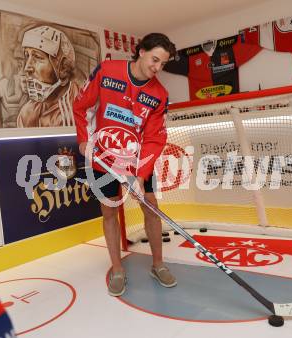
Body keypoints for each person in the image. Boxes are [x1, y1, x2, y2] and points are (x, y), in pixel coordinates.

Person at [73, 33, 177, 297]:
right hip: (103, 158)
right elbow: (81, 106)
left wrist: (140, 175)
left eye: (162, 64)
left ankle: (158, 264)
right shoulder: (107, 71)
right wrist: (84, 140)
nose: (157, 67)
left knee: (151, 207)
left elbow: (155, 138)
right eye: (155, 59)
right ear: (141, 51)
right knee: (109, 213)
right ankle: (117, 268)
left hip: (136, 159)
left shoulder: (159, 94)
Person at [17, 25, 79, 127]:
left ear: (62, 68)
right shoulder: (27, 112)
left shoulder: (72, 113)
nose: (27, 67)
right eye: (27, 56)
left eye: (37, 56)